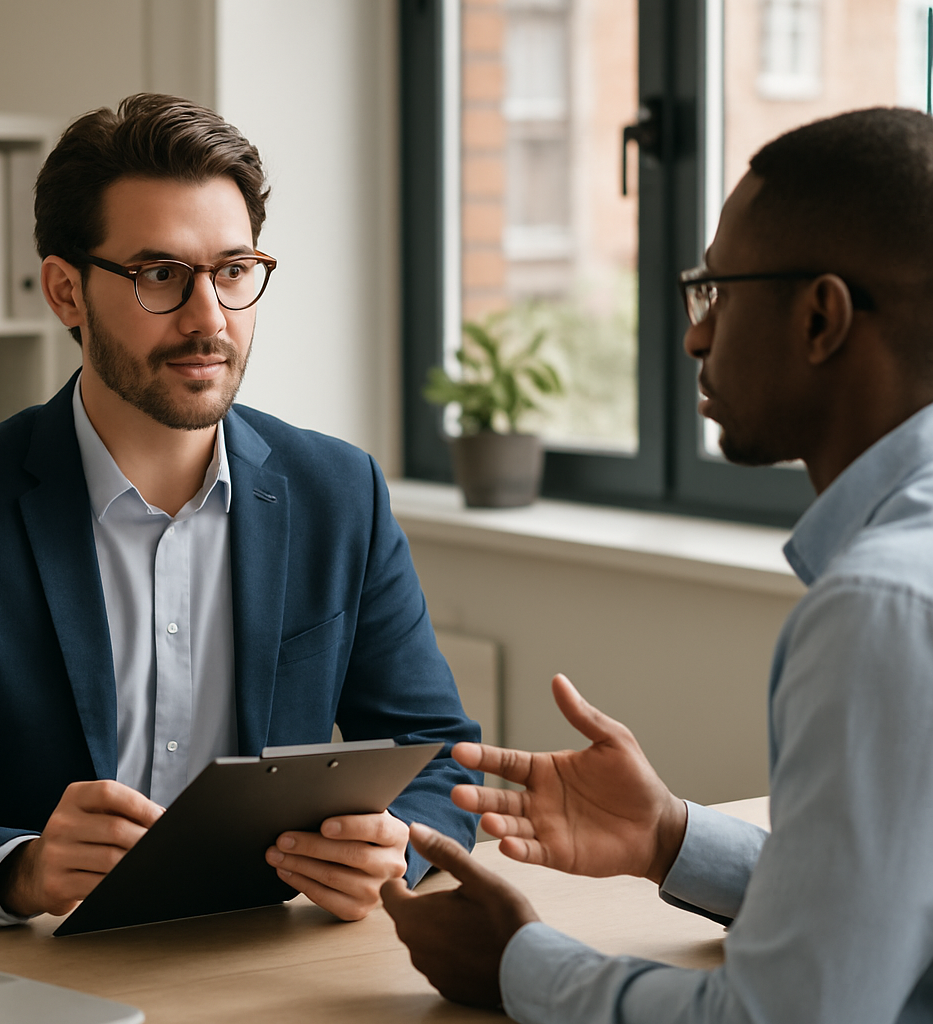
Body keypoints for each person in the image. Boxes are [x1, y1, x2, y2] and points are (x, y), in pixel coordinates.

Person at [382, 106, 933, 1023]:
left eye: (718, 291)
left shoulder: (879, 608)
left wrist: (519, 963)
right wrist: (670, 835)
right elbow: (883, 905)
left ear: (821, 316)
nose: (695, 337)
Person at [0, 93, 479, 934]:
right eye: (160, 276)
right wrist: (19, 869)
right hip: (34, 979)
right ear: (67, 292)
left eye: (234, 271)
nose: (209, 319)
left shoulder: (339, 492)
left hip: (273, 965)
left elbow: (437, 750)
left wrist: (397, 847)